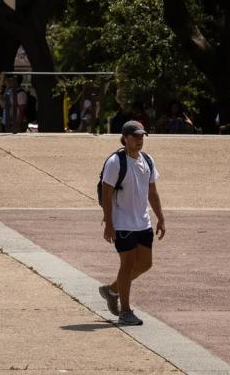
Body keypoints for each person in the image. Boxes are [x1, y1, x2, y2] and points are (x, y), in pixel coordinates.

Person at [97, 121, 166, 326]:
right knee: (127, 264)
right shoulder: (115, 162)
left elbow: (152, 192)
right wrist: (109, 224)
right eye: (135, 136)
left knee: (145, 263)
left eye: (142, 136)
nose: (139, 140)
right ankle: (125, 311)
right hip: (123, 221)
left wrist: (160, 217)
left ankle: (112, 290)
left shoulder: (148, 161)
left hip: (142, 221)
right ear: (125, 138)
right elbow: (107, 194)